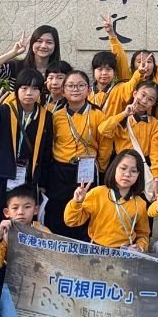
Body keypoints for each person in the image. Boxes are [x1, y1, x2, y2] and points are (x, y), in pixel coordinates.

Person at [0, 69, 53, 241]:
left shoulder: (46, 117)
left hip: (28, 179)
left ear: (41, 92)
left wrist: (43, 183)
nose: (29, 93)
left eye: (35, 89)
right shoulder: (4, 110)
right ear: (16, 90)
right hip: (1, 176)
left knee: (25, 222)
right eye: (24, 88)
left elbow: (46, 153)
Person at [44, 68, 106, 238]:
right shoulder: (56, 116)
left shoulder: (98, 115)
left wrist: (101, 168)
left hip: (87, 169)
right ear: (63, 91)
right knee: (58, 209)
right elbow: (50, 144)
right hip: (60, 170)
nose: (75, 89)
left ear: (89, 90)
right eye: (70, 86)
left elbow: (105, 146)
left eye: (80, 85)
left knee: (85, 207)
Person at [64, 149, 150, 251]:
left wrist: (140, 247)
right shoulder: (97, 193)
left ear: (139, 175)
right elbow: (71, 221)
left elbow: (143, 234)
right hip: (95, 250)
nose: (127, 174)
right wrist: (77, 202)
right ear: (114, 168)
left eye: (134, 171)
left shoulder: (140, 204)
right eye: (123, 168)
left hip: (124, 253)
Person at [98, 80, 158, 198]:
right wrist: (124, 114)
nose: (144, 101)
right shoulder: (122, 119)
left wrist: (156, 178)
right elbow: (103, 129)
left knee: (139, 200)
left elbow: (155, 152)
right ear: (135, 93)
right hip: (121, 165)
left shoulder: (154, 123)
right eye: (143, 95)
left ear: (154, 104)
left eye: (150, 99)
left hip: (141, 167)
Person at [104, 13, 158, 94]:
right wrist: (111, 34)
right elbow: (120, 59)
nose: (145, 64)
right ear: (133, 65)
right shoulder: (127, 81)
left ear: (154, 66)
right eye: (139, 61)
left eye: (149, 61)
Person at [0, 185, 45, 286]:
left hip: (36, 281)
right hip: (11, 281)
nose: (20, 212)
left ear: (36, 210)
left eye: (27, 207)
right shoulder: (5, 233)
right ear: (7, 212)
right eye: (15, 208)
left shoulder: (43, 232)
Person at [0, 25, 63, 90]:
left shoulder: (61, 71)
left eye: (49, 42)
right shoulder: (17, 67)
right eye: (39, 41)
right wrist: (13, 53)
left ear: (55, 46)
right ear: (32, 43)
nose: (43, 46)